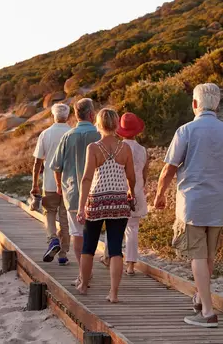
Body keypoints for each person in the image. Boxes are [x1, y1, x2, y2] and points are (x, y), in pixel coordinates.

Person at [154, 83, 223, 328]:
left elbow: (169, 167)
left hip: (192, 204)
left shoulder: (186, 130)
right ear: (217, 105)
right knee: (208, 256)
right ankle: (199, 296)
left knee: (197, 256)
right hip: (217, 203)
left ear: (195, 104)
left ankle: (206, 311)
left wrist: (160, 194)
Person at [76, 108, 136, 302]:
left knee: (89, 246)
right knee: (116, 248)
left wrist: (81, 206)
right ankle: (114, 293)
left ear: (99, 125)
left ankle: (84, 285)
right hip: (119, 201)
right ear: (117, 124)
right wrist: (131, 192)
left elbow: (86, 178)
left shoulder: (93, 148)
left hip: (97, 200)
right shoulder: (125, 148)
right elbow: (131, 176)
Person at [51, 98, 101, 284]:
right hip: (98, 193)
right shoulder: (99, 135)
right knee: (93, 233)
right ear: (91, 114)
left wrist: (58, 186)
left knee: (77, 233)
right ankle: (90, 271)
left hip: (73, 193)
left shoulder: (68, 136)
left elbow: (56, 166)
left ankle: (83, 274)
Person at [102, 113, 148, 275]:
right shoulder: (142, 150)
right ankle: (130, 265)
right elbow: (144, 173)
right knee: (132, 229)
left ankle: (108, 256)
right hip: (136, 193)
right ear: (137, 131)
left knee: (113, 226)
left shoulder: (117, 148)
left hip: (118, 191)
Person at [31, 104, 72, 266]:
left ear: (53, 116)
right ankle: (63, 255)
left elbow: (37, 162)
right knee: (64, 218)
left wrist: (34, 183)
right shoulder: (72, 133)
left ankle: (52, 239)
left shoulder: (45, 134)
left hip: (49, 183)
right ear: (68, 116)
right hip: (70, 184)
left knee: (49, 213)